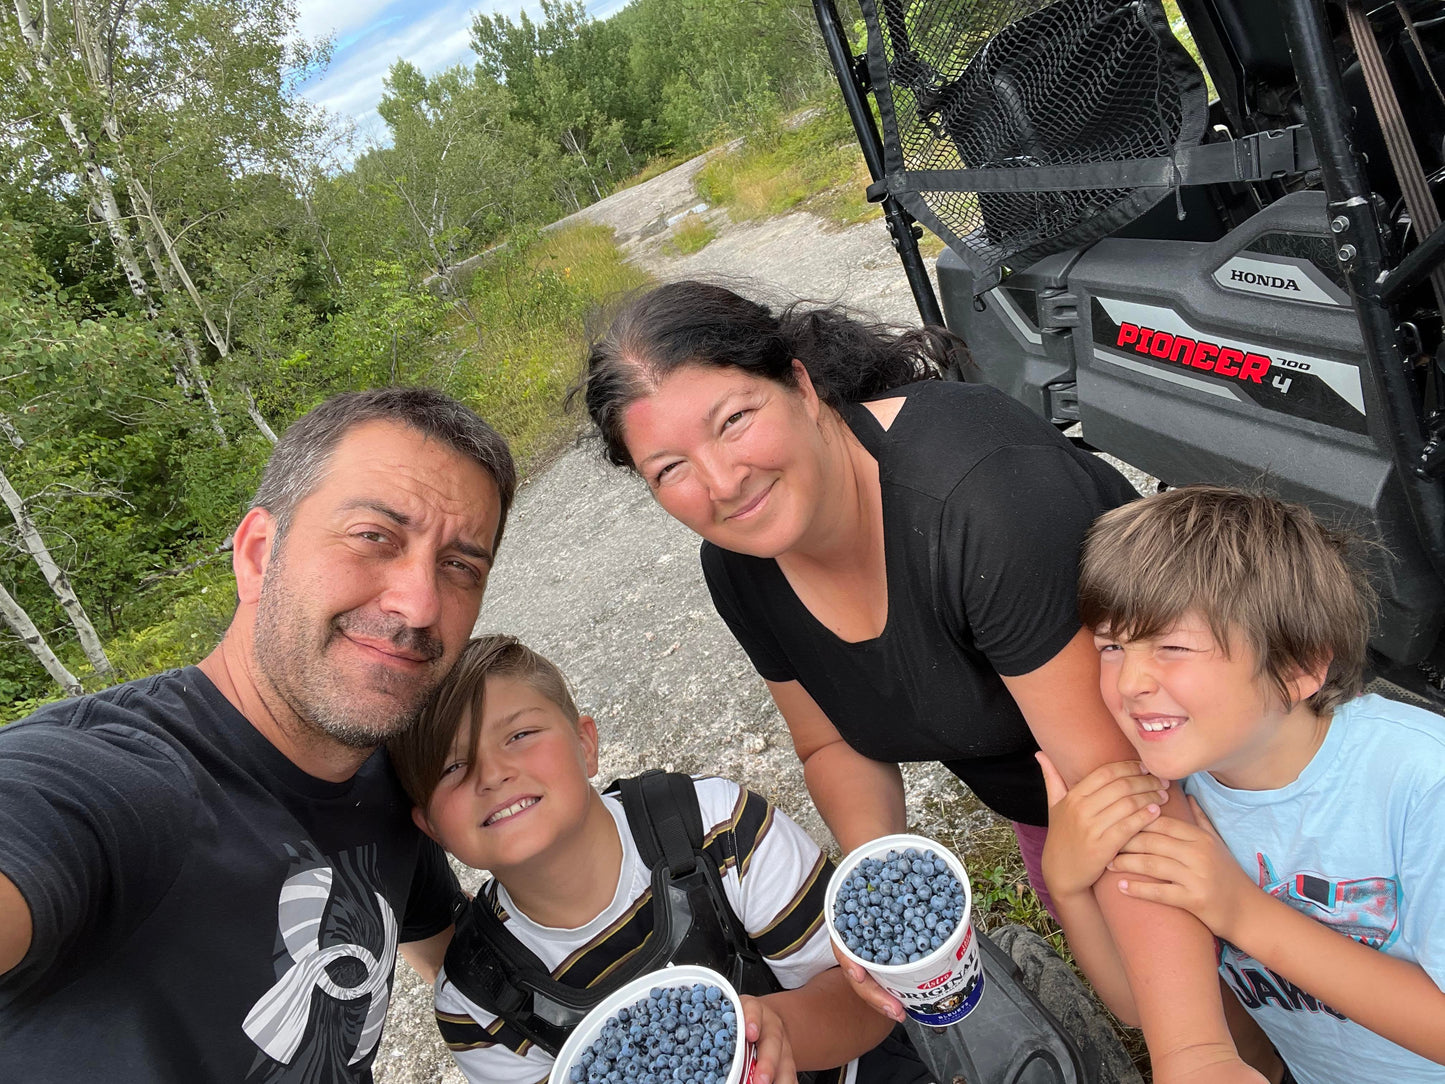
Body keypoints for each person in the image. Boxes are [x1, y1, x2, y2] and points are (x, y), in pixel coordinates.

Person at [577, 280, 1264, 1082]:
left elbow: (1122, 789)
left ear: (801, 384)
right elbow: (830, 738)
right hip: (1055, 808)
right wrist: (879, 891)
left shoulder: (981, 502)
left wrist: (1194, 1052)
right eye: (670, 468)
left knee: (1254, 1019)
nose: (721, 482)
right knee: (1159, 1003)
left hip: (1210, 785)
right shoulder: (739, 568)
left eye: (733, 420)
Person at [0, 387, 517, 1083]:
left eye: (460, 567)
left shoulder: (387, 773)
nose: (419, 603)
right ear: (256, 554)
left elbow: (452, 950)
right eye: (373, 537)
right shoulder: (113, 780)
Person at [1038, 484, 1445, 1083]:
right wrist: (1067, 883)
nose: (1130, 683)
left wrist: (1241, 913)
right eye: (1112, 647)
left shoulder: (1420, 784)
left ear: (1299, 666)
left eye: (1173, 646)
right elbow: (1134, 1003)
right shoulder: (1169, 794)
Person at [387, 633, 915, 1084]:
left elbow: (871, 1004)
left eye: (520, 735)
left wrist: (775, 1029)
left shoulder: (716, 828)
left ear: (586, 744)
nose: (492, 773)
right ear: (430, 827)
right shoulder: (476, 997)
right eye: (451, 766)